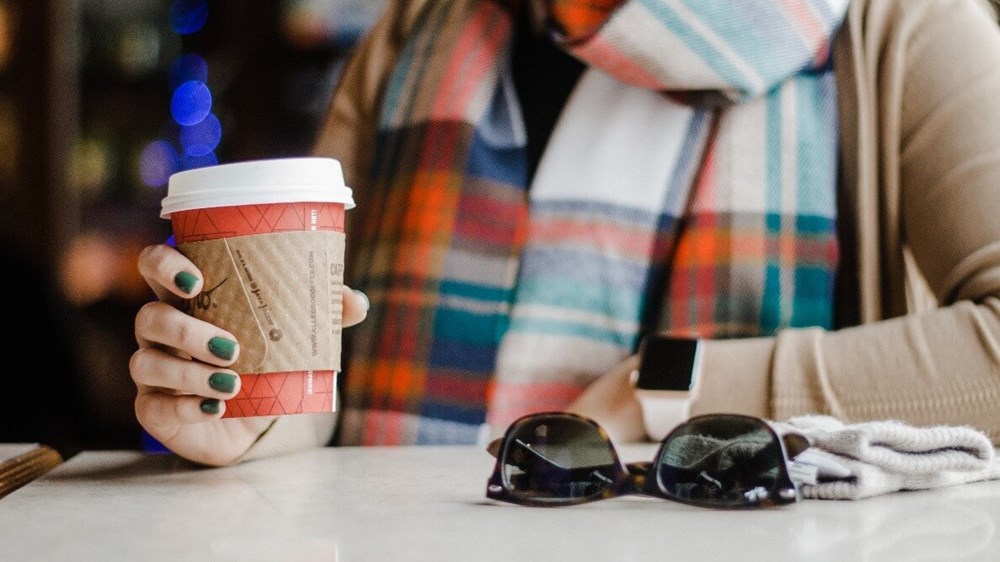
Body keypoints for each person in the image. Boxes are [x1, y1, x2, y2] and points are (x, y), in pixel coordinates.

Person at [132, 0, 1000, 466]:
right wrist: (248, 421)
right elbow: (327, 380)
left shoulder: (904, 28)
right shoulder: (415, 32)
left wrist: (672, 389)